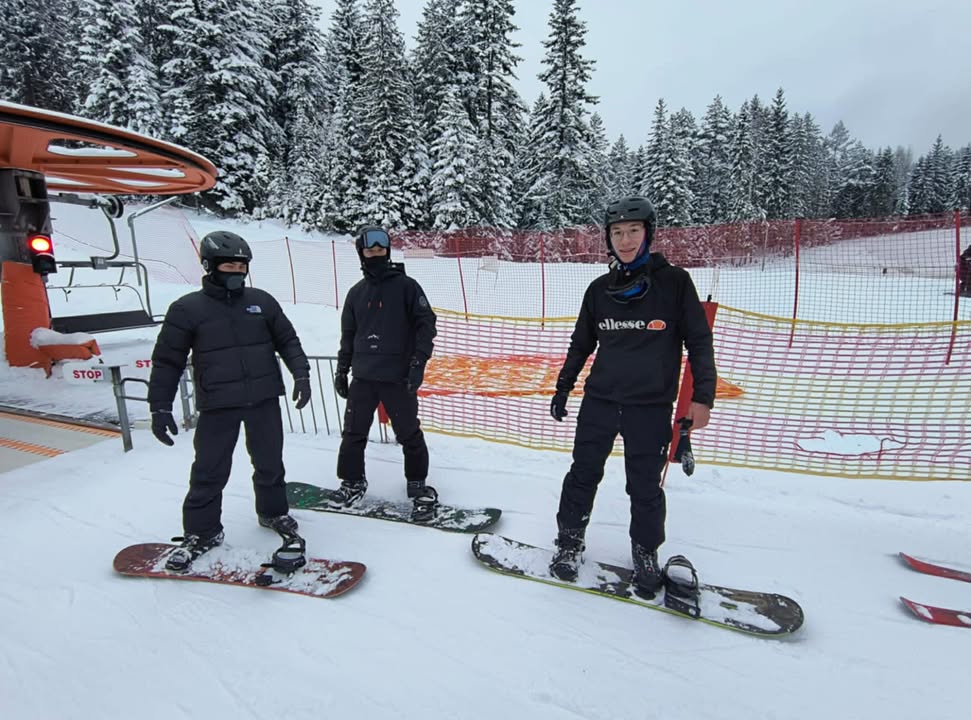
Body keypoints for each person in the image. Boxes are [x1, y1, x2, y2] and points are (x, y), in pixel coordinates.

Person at [548, 196, 717, 594]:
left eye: (633, 231)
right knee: (582, 475)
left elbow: (699, 342)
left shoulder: (675, 284)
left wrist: (703, 397)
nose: (625, 240)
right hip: (601, 402)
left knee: (643, 488)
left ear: (649, 234)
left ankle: (645, 552)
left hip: (650, 407)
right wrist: (563, 385)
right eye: (617, 233)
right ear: (608, 238)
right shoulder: (599, 290)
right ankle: (569, 542)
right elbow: (581, 344)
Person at [147, 230, 312, 572]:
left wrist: (302, 375)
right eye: (228, 265)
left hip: (264, 399)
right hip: (218, 404)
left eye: (241, 265)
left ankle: (273, 511)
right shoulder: (187, 309)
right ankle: (202, 531)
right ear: (210, 266)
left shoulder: (262, 302)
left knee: (269, 462)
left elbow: (288, 340)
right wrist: (159, 405)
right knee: (209, 470)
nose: (236, 271)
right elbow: (167, 361)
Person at [331, 225, 438, 520]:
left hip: (397, 376)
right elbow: (348, 335)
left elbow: (426, 325)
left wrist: (418, 363)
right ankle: (352, 481)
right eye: (370, 251)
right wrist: (342, 370)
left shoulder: (407, 287)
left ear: (387, 252)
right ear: (361, 254)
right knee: (353, 433)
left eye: (380, 250)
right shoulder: (356, 293)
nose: (376, 255)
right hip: (363, 376)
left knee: (408, 434)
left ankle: (416, 482)